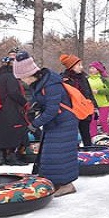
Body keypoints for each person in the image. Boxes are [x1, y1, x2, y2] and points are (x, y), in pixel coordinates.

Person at [13, 51, 79, 197]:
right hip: (55, 123)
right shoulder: (40, 83)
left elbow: (52, 110)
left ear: (30, 74)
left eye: (22, 78)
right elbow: (45, 103)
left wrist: (35, 124)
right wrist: (34, 106)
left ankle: (66, 185)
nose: (22, 81)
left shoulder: (50, 83)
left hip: (64, 122)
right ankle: (56, 182)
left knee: (58, 155)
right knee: (50, 155)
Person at [0, 56, 30, 166]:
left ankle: (1, 157)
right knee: (15, 130)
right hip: (11, 108)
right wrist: (25, 102)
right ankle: (12, 157)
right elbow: (14, 92)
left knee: (2, 131)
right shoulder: (11, 76)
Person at [61, 54, 97, 147]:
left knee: (85, 132)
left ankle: (88, 150)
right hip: (72, 110)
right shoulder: (64, 79)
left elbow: (89, 93)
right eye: (79, 65)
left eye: (81, 65)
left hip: (84, 109)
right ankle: (73, 152)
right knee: (73, 134)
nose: (81, 67)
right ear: (71, 66)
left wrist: (94, 106)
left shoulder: (83, 78)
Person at [87, 61, 109, 136]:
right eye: (90, 68)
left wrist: (99, 91)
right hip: (93, 105)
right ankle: (93, 137)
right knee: (93, 120)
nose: (91, 70)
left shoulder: (104, 79)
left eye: (93, 68)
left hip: (104, 103)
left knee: (103, 120)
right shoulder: (87, 79)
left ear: (98, 69)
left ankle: (108, 135)